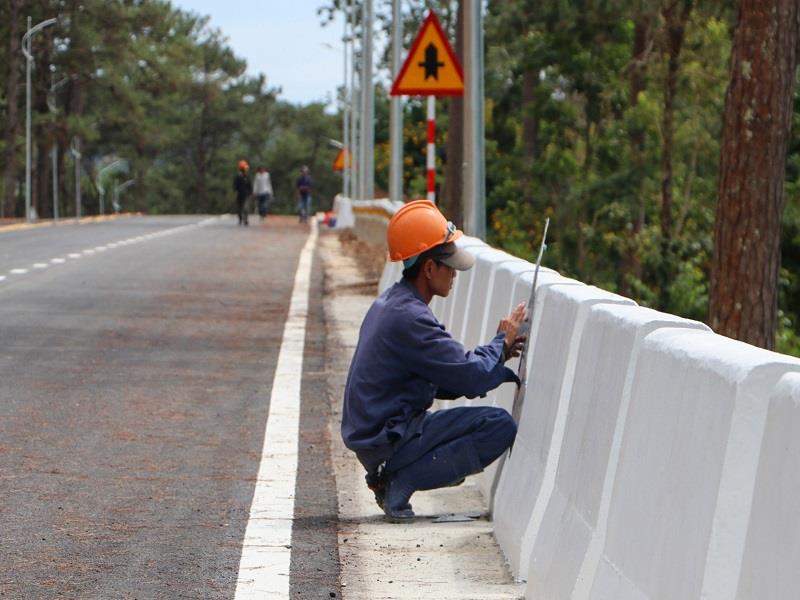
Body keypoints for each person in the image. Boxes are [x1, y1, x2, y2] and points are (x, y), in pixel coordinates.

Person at [341, 199, 527, 520]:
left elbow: (447, 379)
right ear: (429, 268)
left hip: (376, 437)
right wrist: (499, 344)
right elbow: (469, 376)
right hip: (388, 438)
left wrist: (498, 356)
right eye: (449, 265)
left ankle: (392, 476)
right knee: (498, 427)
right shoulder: (411, 318)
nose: (454, 274)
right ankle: (402, 480)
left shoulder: (392, 304)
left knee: (479, 420)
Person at [233, 160, 252, 226]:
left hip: (246, 194)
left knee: (245, 208)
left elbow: (250, 185)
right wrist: (235, 192)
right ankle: (240, 219)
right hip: (240, 194)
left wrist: (250, 192)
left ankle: (245, 219)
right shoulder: (238, 177)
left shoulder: (247, 176)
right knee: (239, 208)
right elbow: (235, 186)